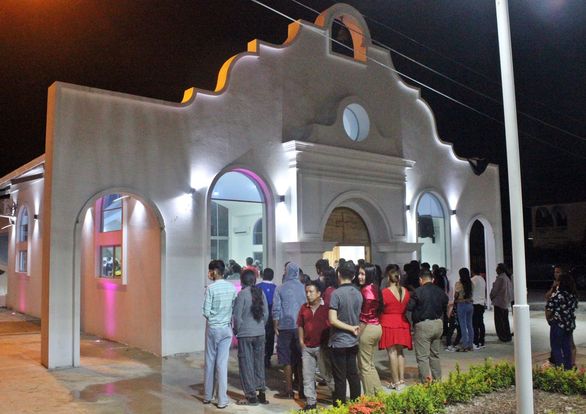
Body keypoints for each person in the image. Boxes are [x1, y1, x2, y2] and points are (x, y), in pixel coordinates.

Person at [202, 260, 237, 409]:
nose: (209, 274)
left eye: (210, 271)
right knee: (222, 365)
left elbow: (205, 312)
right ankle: (222, 400)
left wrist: (214, 318)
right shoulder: (232, 288)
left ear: (215, 272)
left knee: (210, 362)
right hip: (226, 330)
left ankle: (207, 396)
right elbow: (234, 308)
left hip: (213, 329)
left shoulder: (211, 289)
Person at [233, 270, 270, 405]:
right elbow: (266, 314)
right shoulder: (261, 293)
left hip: (246, 334)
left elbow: (237, 316)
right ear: (254, 280)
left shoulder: (242, 294)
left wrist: (237, 331)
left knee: (246, 364)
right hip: (260, 333)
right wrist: (260, 327)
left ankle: (251, 396)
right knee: (259, 363)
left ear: (242, 281)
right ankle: (261, 393)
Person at [328, 260, 363, 406]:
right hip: (353, 341)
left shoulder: (336, 294)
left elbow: (332, 320)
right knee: (353, 375)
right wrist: (353, 329)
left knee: (340, 378)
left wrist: (349, 328)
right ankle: (356, 406)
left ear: (339, 274)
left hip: (339, 342)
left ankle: (340, 407)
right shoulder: (358, 293)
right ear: (354, 276)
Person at [407, 269, 448, 383]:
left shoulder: (418, 292)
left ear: (420, 279)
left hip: (423, 326)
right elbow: (445, 303)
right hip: (438, 324)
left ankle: (426, 383)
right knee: (435, 355)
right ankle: (437, 381)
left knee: (423, 357)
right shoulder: (440, 291)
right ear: (433, 279)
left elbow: (410, 307)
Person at [273, 262, 307, 399]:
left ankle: (288, 390)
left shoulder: (280, 288)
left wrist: (275, 325)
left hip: (285, 327)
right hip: (300, 327)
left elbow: (276, 309)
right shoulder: (304, 288)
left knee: (286, 359)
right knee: (301, 358)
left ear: (286, 272)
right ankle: (303, 389)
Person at [297, 281, 330, 411]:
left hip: (322, 347)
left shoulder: (326, 308)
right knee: (307, 376)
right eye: (307, 292)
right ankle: (311, 402)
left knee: (326, 374)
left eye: (311, 292)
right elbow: (300, 325)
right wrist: (301, 342)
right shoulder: (303, 308)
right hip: (307, 347)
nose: (308, 294)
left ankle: (337, 395)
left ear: (318, 293)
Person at [379, 266, 412, 391]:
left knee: (392, 353)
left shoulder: (385, 292)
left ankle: (396, 382)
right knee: (400, 352)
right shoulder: (405, 291)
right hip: (402, 323)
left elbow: (381, 308)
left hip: (388, 323)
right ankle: (402, 380)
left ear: (388, 278)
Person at [355, 262, 383, 395]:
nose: (359, 277)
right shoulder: (374, 288)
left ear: (370, 275)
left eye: (363, 274)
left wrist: (357, 334)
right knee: (370, 364)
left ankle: (370, 398)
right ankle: (379, 394)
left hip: (368, 328)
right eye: (359, 273)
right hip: (376, 326)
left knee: (364, 366)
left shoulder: (367, 291)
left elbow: (364, 317)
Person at [545, 268, 578, 370]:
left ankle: (559, 368)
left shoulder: (557, 295)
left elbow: (549, 309)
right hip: (569, 324)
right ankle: (568, 368)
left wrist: (549, 320)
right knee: (567, 346)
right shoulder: (573, 296)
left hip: (558, 324)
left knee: (556, 347)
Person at [257, 267, 277, 368]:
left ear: (262, 275)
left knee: (260, 337)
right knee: (270, 337)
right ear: (272, 276)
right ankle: (268, 357)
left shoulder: (257, 287)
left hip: (260, 316)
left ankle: (260, 357)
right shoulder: (276, 288)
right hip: (272, 317)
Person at [490, 263, 513, 342]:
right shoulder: (507, 278)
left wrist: (491, 296)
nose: (496, 270)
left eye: (497, 268)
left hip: (499, 302)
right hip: (505, 303)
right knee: (505, 320)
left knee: (499, 321)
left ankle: (502, 336)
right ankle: (507, 335)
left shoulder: (500, 278)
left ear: (500, 269)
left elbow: (495, 290)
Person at [453, 268, 474, 352]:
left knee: (463, 325)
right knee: (470, 325)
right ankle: (470, 345)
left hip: (461, 304)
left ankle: (465, 345)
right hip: (470, 304)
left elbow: (456, 295)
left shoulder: (458, 284)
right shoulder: (471, 283)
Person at [471, 267, 486, 349]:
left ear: (472, 272)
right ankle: (482, 341)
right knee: (481, 323)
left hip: (475, 303)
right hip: (481, 303)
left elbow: (470, 290)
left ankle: (475, 342)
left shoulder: (473, 279)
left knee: (475, 324)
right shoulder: (482, 279)